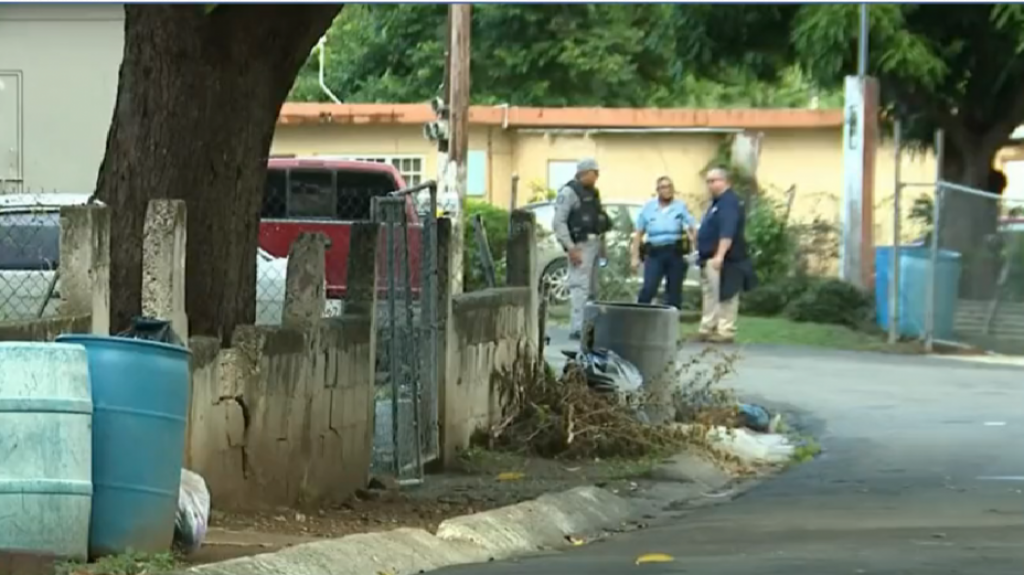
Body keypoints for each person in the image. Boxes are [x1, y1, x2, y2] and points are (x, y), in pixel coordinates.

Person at [552, 158, 612, 340]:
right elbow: (559, 222)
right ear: (584, 173)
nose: (597, 176)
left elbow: (597, 221)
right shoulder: (569, 192)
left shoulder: (593, 193)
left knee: (593, 289)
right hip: (579, 245)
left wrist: (602, 248)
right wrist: (570, 247)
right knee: (580, 287)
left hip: (594, 243)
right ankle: (577, 327)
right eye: (595, 172)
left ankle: (589, 326)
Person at [695, 166, 756, 343]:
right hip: (708, 257)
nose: (709, 185)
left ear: (725, 182)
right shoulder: (716, 203)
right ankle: (707, 327)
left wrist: (720, 255)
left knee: (726, 294)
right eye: (708, 181)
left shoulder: (729, 203)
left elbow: (727, 231)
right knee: (710, 294)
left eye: (713, 181)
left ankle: (725, 330)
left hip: (726, 259)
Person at [630, 176, 697, 309]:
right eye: (664, 187)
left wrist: (693, 246)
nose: (667, 190)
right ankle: (640, 315)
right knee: (649, 288)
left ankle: (671, 320)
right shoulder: (649, 208)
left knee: (674, 291)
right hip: (655, 252)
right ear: (658, 190)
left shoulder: (680, 207)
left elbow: (692, 227)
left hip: (674, 252)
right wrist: (634, 256)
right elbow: (638, 234)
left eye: (670, 187)